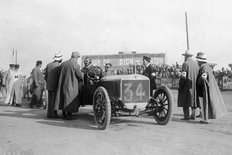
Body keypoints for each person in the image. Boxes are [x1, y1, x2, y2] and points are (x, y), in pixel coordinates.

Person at [196, 52, 227, 124]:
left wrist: (199, 82)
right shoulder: (207, 67)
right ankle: (205, 118)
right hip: (207, 87)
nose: (197, 62)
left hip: (204, 88)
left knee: (205, 103)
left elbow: (203, 77)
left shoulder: (204, 68)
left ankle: (205, 119)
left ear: (200, 61)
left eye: (198, 61)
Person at [54, 51, 83, 120]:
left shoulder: (63, 64)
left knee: (64, 98)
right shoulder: (75, 65)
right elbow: (79, 75)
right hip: (72, 85)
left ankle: (64, 114)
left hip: (63, 84)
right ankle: (69, 115)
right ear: (76, 57)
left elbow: (58, 73)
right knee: (70, 99)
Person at [177, 50, 199, 120]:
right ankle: (193, 115)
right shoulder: (196, 64)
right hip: (194, 85)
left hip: (186, 85)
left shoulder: (185, 64)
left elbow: (183, 76)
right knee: (194, 99)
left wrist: (181, 84)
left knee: (185, 100)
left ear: (186, 56)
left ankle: (186, 116)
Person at [45, 53, 63, 118]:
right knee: (54, 101)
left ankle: (49, 114)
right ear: (59, 59)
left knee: (50, 100)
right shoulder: (58, 66)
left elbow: (46, 76)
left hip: (49, 85)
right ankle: (53, 114)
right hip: (55, 86)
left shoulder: (48, 65)